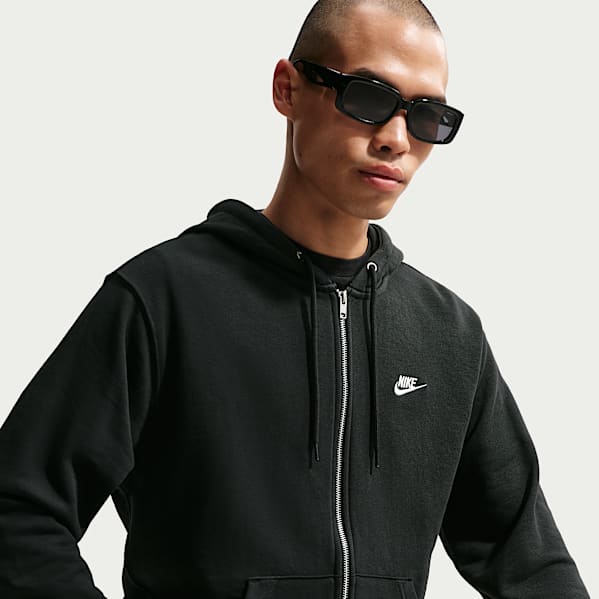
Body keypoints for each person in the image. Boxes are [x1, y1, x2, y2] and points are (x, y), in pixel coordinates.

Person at [0, 0, 591, 597]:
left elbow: (529, 564)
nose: (395, 140)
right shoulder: (162, 299)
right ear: (288, 88)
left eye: (426, 116)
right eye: (368, 97)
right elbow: (19, 511)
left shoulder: (448, 333)